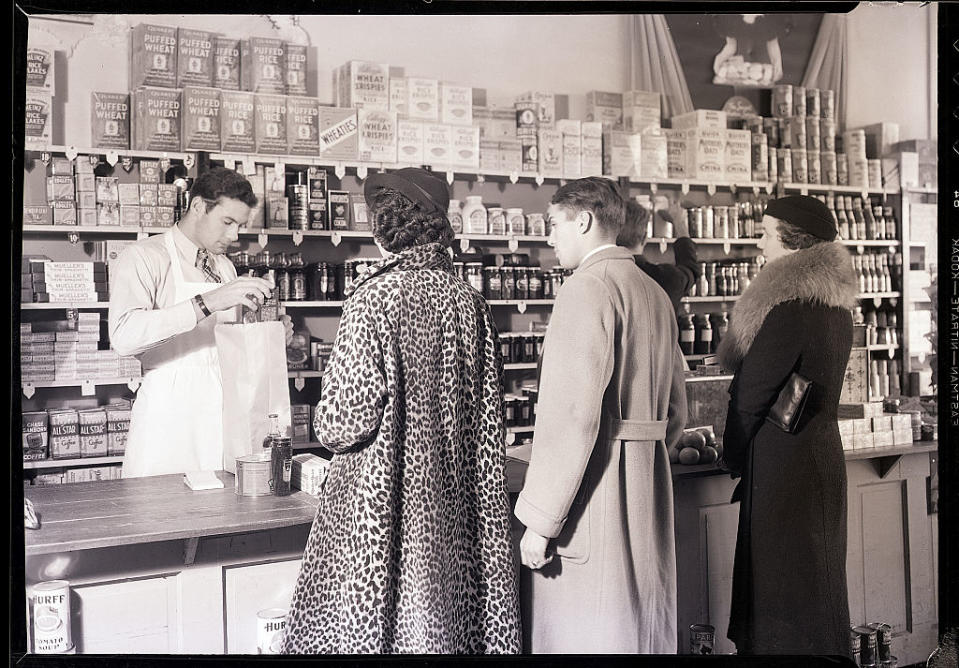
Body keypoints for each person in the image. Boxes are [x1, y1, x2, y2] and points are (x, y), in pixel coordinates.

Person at [283, 168, 521, 654]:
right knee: (450, 625)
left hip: (385, 504)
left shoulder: (373, 298)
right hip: (458, 501)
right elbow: (489, 415)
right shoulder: (470, 301)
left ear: (383, 226)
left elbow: (344, 423)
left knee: (374, 629)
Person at [515, 176, 688, 653]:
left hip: (594, 497)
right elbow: (677, 409)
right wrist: (644, 452)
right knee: (639, 628)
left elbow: (573, 417)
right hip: (646, 483)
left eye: (554, 224)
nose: (549, 237)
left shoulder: (585, 289)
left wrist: (542, 521)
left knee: (589, 630)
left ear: (584, 221)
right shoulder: (653, 291)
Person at [717, 195, 856, 656]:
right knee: (817, 587)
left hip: (784, 466)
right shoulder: (834, 308)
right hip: (819, 457)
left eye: (766, 233)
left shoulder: (790, 308)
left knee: (783, 597)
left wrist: (732, 454)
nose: (759, 243)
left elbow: (752, 394)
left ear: (793, 243)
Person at [109, 167, 292, 478]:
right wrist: (208, 302)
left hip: (224, 412)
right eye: (228, 222)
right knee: (163, 513)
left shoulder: (224, 268)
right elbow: (124, 337)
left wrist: (270, 338)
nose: (235, 236)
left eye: (240, 225)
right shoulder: (144, 257)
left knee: (222, 515)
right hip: (170, 415)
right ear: (197, 207)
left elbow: (229, 350)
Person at [617, 197, 701, 316]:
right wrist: (679, 222)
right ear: (645, 236)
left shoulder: (599, 275)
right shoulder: (667, 278)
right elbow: (691, 270)